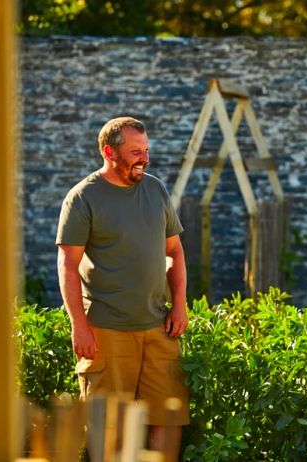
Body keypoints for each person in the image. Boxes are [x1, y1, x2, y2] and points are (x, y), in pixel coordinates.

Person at [56, 117, 189, 458]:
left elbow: (173, 251)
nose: (143, 158)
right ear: (108, 152)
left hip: (159, 330)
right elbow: (68, 266)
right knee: (109, 431)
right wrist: (79, 327)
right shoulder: (83, 197)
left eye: (146, 150)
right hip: (105, 332)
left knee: (167, 421)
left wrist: (179, 305)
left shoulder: (156, 189)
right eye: (134, 152)